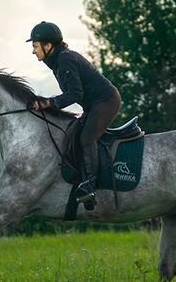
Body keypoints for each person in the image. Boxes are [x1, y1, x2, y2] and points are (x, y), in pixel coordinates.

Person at [27, 21, 122, 207]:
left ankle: (90, 187)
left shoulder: (65, 59)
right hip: (93, 105)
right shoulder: (57, 61)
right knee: (70, 135)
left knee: (87, 139)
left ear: (48, 45)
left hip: (106, 101)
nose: (33, 51)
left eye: (35, 46)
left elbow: (75, 94)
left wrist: (47, 103)